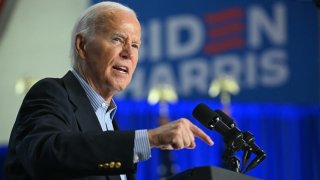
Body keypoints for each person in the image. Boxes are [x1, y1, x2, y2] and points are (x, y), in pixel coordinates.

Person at [4, 1, 214, 180]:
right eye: (117, 39)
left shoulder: (109, 122)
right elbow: (44, 154)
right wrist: (150, 138)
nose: (128, 53)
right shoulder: (51, 93)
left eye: (135, 45)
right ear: (82, 45)